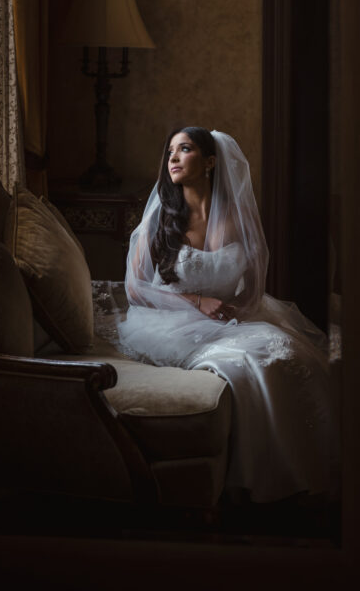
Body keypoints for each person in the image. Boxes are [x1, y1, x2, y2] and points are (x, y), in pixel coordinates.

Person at [117, 127, 336, 504]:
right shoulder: (162, 219)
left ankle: (313, 472)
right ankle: (249, 481)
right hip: (172, 319)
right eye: (170, 150)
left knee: (290, 353)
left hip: (229, 318)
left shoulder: (239, 218)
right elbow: (136, 289)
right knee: (242, 365)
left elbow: (252, 286)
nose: (172, 158)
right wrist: (196, 302)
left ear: (210, 162)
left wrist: (240, 311)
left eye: (184, 149)